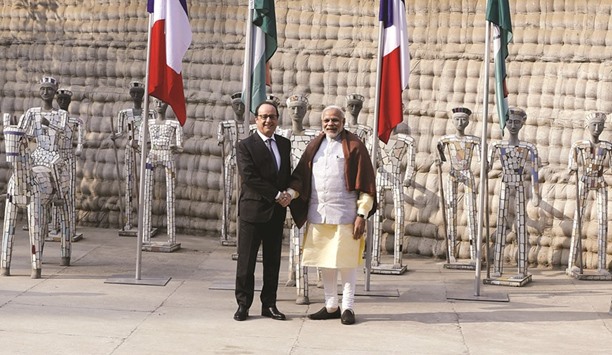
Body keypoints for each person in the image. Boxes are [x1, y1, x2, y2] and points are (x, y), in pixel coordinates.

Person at [289, 105, 377, 325]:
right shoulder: (314, 146)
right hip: (319, 214)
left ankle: (348, 307)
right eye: (327, 120)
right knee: (325, 262)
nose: (331, 124)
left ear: (343, 122)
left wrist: (361, 215)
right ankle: (331, 305)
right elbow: (300, 177)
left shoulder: (355, 146)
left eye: (335, 120)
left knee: (346, 263)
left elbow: (366, 184)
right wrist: (290, 194)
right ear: (322, 123)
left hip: (346, 216)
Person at [234, 101, 292, 321]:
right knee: (246, 262)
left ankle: (269, 304)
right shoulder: (245, 145)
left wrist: (289, 192)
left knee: (273, 262)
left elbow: (287, 174)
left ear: (277, 119)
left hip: (276, 213)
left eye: (272, 116)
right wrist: (278, 195)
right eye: (264, 116)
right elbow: (249, 177)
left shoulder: (284, 144)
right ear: (256, 119)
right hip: (253, 211)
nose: (268, 120)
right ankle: (243, 305)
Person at [487, 107, 539, 281]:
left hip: (519, 185)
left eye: (517, 122)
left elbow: (534, 172)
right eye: (510, 121)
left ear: (523, 123)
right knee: (500, 225)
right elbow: (487, 165)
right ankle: (497, 267)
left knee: (521, 226)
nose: (513, 125)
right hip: (504, 184)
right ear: (505, 123)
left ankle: (522, 268)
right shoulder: (497, 145)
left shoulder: (528, 147)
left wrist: (536, 193)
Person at [567, 111, 612, 277]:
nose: (596, 128)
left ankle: (601, 265)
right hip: (584, 180)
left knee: (602, 222)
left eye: (600, 125)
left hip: (600, 181)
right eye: (594, 125)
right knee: (578, 221)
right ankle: (572, 263)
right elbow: (572, 163)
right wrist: (573, 168)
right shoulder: (579, 145)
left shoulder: (607, 146)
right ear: (587, 126)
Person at [436, 107, 481, 265]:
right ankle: (451, 253)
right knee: (451, 212)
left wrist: (485, 166)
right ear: (452, 121)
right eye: (457, 119)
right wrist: (439, 161)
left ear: (468, 121)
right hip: (453, 174)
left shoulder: (474, 141)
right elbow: (440, 156)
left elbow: (482, 160)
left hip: (467, 174)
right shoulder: (446, 140)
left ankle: (474, 254)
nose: (460, 122)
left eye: (463, 119)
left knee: (471, 212)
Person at [140, 99, 183, 251]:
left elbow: (180, 146)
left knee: (170, 195)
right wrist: (144, 145)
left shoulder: (174, 124)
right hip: (152, 155)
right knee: (147, 193)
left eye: (162, 102)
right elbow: (141, 142)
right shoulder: (147, 124)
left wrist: (175, 147)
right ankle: (144, 235)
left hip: (167, 155)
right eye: (156, 102)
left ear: (167, 104)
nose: (159, 105)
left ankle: (171, 237)